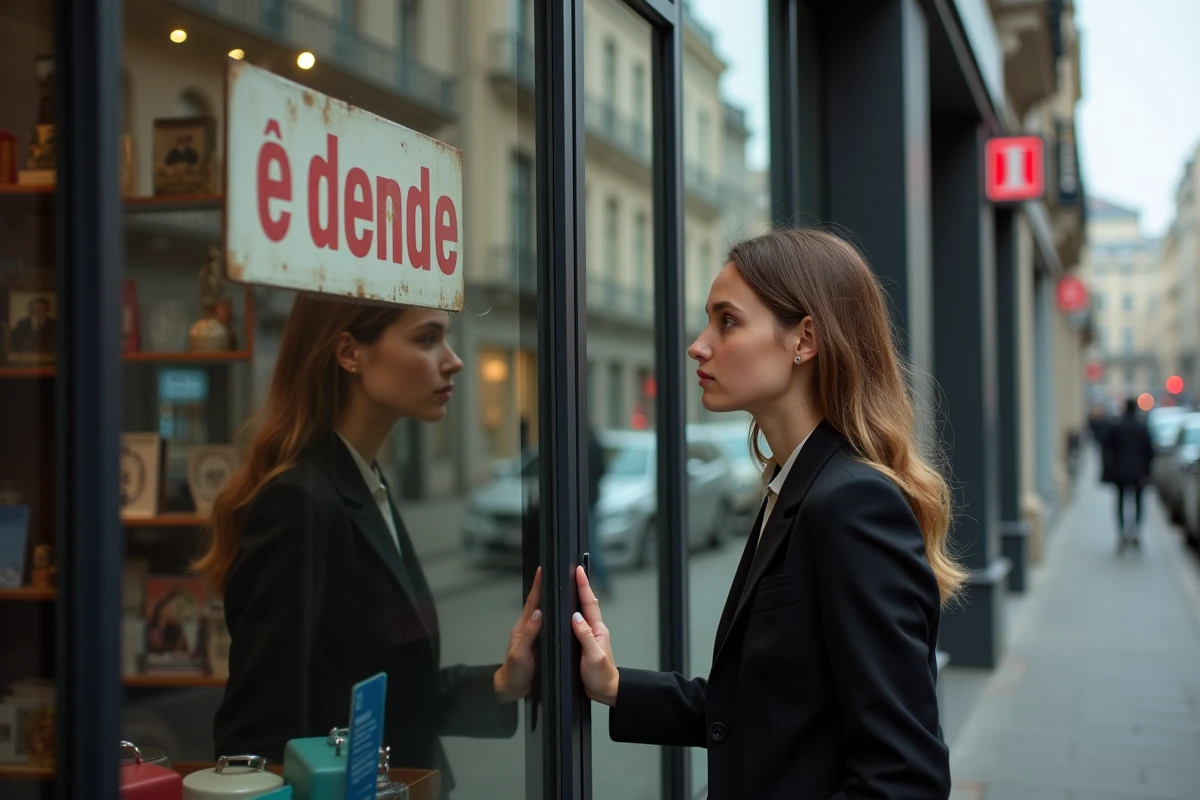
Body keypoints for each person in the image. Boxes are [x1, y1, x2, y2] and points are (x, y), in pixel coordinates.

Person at [571, 228, 964, 799]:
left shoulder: (851, 503)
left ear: (804, 339)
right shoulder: (797, 485)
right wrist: (614, 685)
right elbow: (767, 710)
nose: (698, 345)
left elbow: (906, 779)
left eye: (727, 321)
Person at [196, 294, 542, 796]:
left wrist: (502, 683)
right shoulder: (301, 502)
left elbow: (383, 693)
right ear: (349, 353)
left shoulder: (363, 482)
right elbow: (256, 735)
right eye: (427, 338)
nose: (454, 359)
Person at [1101, 397, 1154, 552]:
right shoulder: (1142, 427)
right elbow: (1149, 452)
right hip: (1139, 473)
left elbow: (1107, 449)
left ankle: (1122, 532)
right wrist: (1147, 471)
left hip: (1120, 472)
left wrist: (1108, 469)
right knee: (1138, 502)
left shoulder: (1117, 426)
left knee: (1120, 502)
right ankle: (1136, 531)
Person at [586, 425, 612, 598]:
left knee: (591, 544)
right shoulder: (594, 442)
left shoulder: (585, 444)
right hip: (592, 498)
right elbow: (603, 469)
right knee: (591, 543)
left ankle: (602, 582)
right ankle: (600, 582)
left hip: (587, 500)